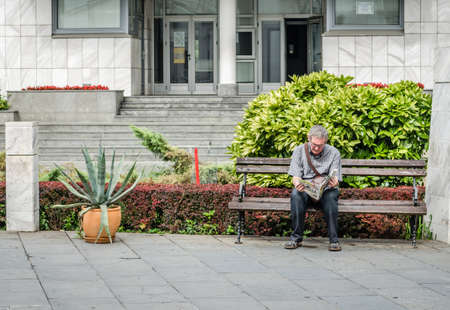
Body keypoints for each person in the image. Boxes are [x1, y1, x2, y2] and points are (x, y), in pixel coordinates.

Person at [284, 125, 342, 251]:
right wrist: (297, 182)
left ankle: (334, 241)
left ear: (325, 142)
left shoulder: (334, 152)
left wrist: (334, 182)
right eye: (314, 144)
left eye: (320, 145)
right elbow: (295, 175)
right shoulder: (299, 150)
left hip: (325, 190)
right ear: (309, 138)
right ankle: (295, 239)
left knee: (332, 196)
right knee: (296, 195)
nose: (316, 147)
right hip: (307, 190)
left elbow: (335, 176)